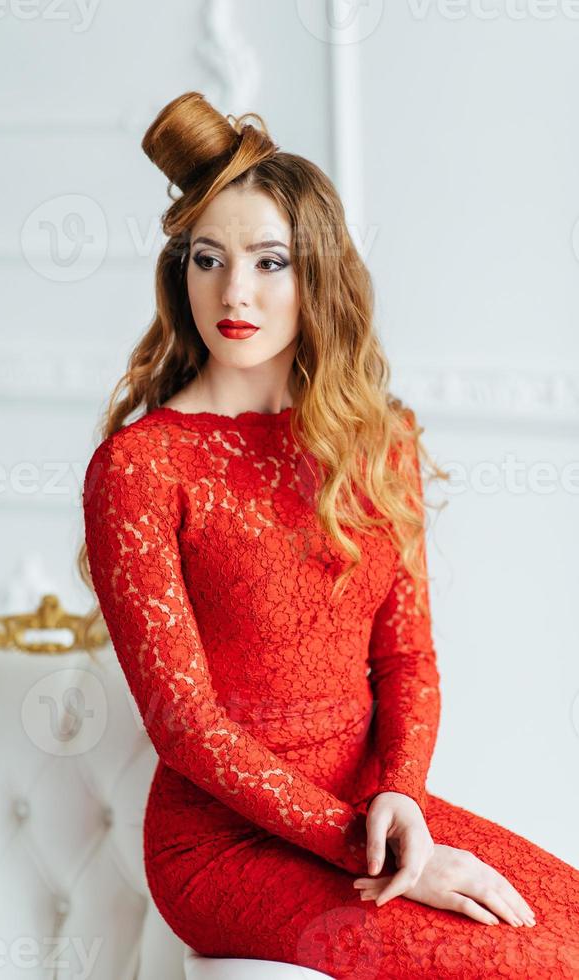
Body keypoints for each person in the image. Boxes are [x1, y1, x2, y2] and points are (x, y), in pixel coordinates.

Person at [78, 91, 579, 979]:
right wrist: (368, 851)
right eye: (209, 259)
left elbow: (407, 663)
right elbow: (186, 726)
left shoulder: (380, 439)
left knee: (568, 927)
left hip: (371, 808)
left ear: (319, 275)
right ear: (179, 274)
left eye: (271, 261)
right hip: (223, 849)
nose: (235, 292)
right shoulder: (142, 466)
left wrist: (400, 802)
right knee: (523, 965)